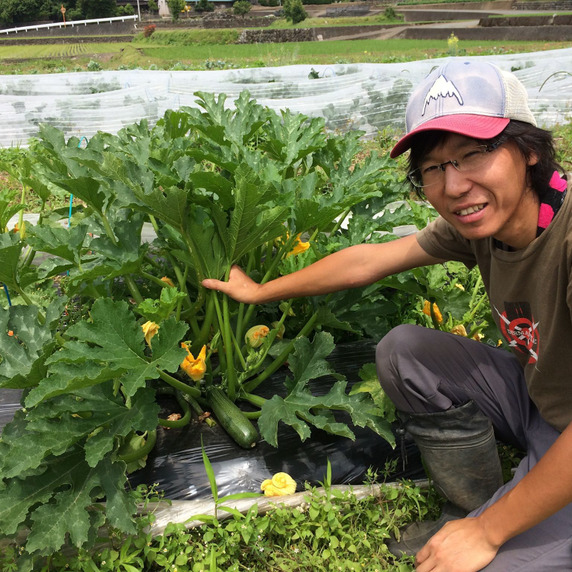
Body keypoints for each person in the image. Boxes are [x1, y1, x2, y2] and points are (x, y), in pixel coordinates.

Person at [202, 59, 572, 571]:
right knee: (404, 352)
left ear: (529, 150)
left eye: (473, 154)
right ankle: (473, 504)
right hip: (541, 401)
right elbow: (370, 260)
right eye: (434, 168)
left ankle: (488, 523)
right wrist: (261, 291)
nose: (455, 185)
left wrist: (490, 532)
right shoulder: (483, 225)